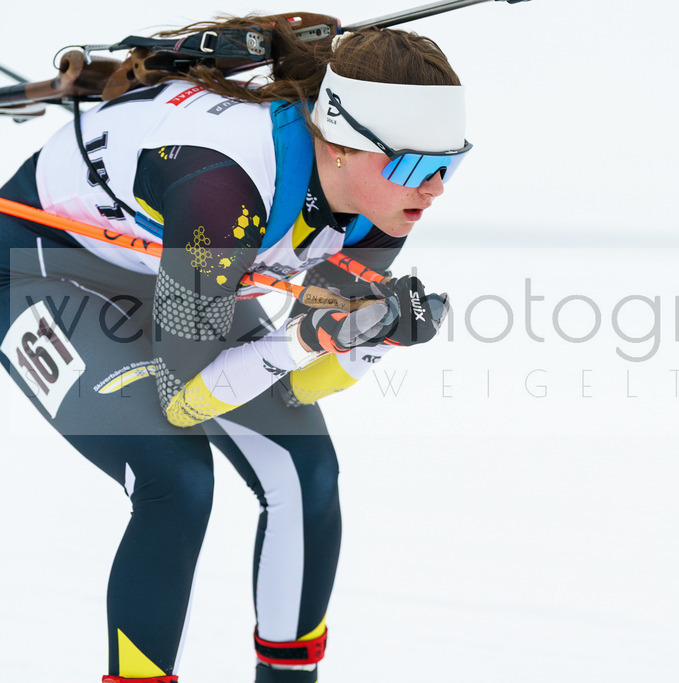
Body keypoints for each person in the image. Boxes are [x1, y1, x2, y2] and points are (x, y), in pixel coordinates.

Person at [0, 14, 467, 683]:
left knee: (308, 477)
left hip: (183, 272)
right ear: (340, 144)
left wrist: (369, 341)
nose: (436, 188)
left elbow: (299, 382)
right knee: (177, 479)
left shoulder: (384, 201)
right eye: (419, 164)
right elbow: (191, 399)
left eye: (452, 163)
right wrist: (313, 336)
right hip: (40, 269)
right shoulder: (223, 188)